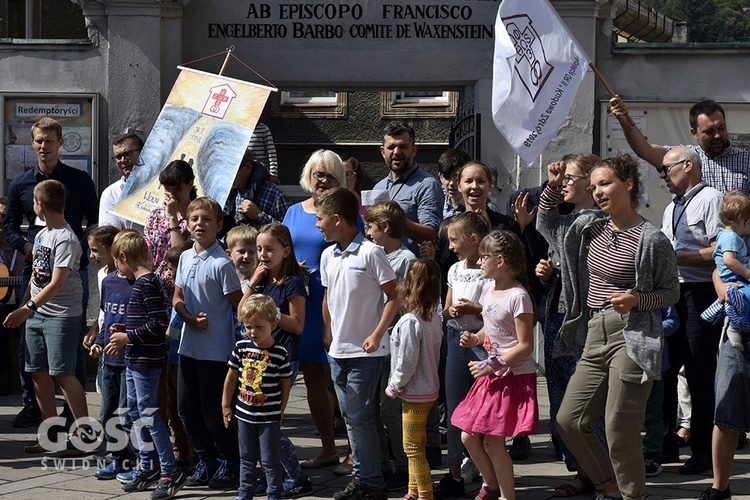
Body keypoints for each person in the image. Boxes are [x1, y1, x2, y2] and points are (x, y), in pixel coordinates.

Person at [540, 154, 680, 500]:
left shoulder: (651, 239)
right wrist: (554, 186)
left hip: (632, 335)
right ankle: (607, 482)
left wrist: (636, 299)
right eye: (593, 186)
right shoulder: (588, 227)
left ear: (628, 184)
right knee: (569, 420)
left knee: (620, 429)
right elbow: (547, 222)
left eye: (605, 184)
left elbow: (670, 291)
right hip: (593, 329)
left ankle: (633, 495)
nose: (597, 192)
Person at [5, 117, 98, 428]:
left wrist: (75, 252)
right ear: (32, 144)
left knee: (67, 355)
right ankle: (39, 414)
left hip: (68, 275)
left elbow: (94, 223)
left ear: (60, 142)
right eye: (38, 141)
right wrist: (26, 247)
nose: (44, 146)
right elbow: (11, 227)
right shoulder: (19, 183)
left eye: (49, 140)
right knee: (33, 360)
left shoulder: (79, 180)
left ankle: (76, 418)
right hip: (37, 267)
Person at [316, 187, 399, 500]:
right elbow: (328, 296)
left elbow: (394, 295)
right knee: (354, 417)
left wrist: (378, 333)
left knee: (360, 417)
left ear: (337, 219)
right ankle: (371, 474)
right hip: (337, 351)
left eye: (321, 218)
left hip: (366, 352)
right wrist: (327, 329)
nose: (317, 224)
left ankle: (370, 483)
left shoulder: (370, 252)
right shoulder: (328, 255)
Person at [533, 154, 605, 498]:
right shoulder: (568, 220)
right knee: (560, 391)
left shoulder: (599, 222)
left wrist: (558, 270)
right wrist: (550, 183)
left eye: (570, 178)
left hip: (585, 319)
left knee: (587, 397)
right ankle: (581, 469)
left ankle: (601, 471)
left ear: (590, 183)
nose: (564, 184)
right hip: (557, 315)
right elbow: (543, 221)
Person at [451, 230, 538, 500]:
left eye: (485, 257)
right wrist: (475, 338)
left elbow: (525, 345)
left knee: (493, 440)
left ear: (500, 261)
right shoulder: (489, 288)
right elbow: (493, 330)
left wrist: (494, 364)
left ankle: (506, 496)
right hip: (492, 373)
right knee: (468, 436)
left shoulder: (519, 296)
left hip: (512, 376)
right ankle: (491, 484)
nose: (480, 262)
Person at [4, 179, 89, 452]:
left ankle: (84, 436)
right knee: (37, 373)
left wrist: (26, 308)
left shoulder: (66, 238)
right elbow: (37, 279)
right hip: (36, 314)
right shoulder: (41, 235)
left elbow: (57, 282)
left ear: (40, 206)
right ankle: (49, 436)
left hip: (62, 315)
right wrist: (27, 307)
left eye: (33, 203)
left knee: (63, 374)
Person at [656, 146, 724, 474]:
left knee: (698, 373)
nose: (663, 177)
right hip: (673, 293)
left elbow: (720, 250)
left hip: (701, 292)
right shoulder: (671, 208)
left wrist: (676, 256)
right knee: (666, 369)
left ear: (688, 165)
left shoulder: (711, 199)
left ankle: (702, 452)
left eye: (666, 169)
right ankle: (667, 444)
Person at [104, 230, 185, 499]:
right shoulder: (143, 284)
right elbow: (145, 321)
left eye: (117, 263)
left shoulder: (146, 284)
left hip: (145, 362)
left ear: (124, 257)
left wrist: (128, 336)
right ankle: (148, 465)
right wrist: (125, 327)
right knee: (137, 413)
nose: (117, 269)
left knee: (149, 414)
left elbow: (158, 323)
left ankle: (170, 470)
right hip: (134, 359)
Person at [173, 197, 244, 488]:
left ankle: (231, 461)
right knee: (186, 408)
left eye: (206, 219)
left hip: (216, 351)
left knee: (214, 411)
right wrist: (189, 318)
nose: (199, 224)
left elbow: (239, 306)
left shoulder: (221, 263)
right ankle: (207, 459)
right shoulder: (186, 256)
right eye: (194, 219)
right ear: (187, 224)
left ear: (218, 224)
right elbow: (177, 298)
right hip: (188, 347)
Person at [283, 150, 347, 469]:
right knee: (310, 376)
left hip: (334, 300)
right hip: (299, 301)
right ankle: (327, 446)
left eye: (329, 175)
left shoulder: (346, 213)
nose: (321, 180)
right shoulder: (293, 212)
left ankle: (357, 447)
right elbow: (278, 249)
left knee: (340, 376)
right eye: (317, 174)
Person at [242, 223, 312, 497]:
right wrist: (252, 283)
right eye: (259, 249)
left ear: (285, 251)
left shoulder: (291, 283)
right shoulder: (262, 281)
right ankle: (275, 473)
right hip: (257, 362)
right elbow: (241, 314)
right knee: (257, 422)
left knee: (269, 425)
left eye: (269, 249)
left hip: (282, 361)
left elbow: (298, 325)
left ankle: (295, 475)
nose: (262, 255)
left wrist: (272, 314)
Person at [433, 210, 491, 500]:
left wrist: (475, 310)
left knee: (487, 408)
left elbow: (496, 308)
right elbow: (445, 310)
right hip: (456, 339)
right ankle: (455, 472)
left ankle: (487, 472)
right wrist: (451, 312)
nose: (451, 246)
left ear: (473, 238)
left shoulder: (489, 269)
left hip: (483, 342)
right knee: (455, 406)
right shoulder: (454, 269)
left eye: (455, 240)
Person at [364, 200, 417, 488]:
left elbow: (407, 302)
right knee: (375, 407)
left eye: (371, 227)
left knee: (390, 407)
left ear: (385, 227)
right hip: (376, 340)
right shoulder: (374, 254)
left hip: (395, 342)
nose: (367, 233)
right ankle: (385, 460)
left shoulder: (406, 259)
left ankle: (404, 462)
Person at [222, 294, 292, 500]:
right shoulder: (241, 348)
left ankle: (274, 494)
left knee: (270, 460)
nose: (252, 332)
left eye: (258, 327)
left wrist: (281, 410)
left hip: (269, 417)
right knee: (246, 458)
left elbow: (285, 384)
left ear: (273, 324)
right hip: (244, 414)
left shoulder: (279, 353)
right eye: (248, 327)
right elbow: (231, 377)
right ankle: (245, 492)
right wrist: (226, 404)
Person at [385, 259, 443, 500]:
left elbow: (407, 361)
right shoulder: (433, 318)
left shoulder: (410, 322)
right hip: (428, 390)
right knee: (417, 444)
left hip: (414, 392)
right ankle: (413, 491)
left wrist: (394, 385)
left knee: (411, 448)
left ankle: (425, 494)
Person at [609, 97, 750, 194]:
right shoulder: (682, 157)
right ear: (694, 133)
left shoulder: (746, 159)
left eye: (721, 128)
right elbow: (645, 151)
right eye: (709, 132)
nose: (717, 135)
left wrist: (743, 203)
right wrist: (624, 121)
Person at [82, 225, 135, 480]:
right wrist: (99, 342)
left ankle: (138, 460)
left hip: (131, 359)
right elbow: (106, 316)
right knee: (106, 413)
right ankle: (119, 459)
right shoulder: (108, 280)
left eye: (95, 250)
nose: (92, 255)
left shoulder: (139, 283)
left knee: (127, 413)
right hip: (110, 359)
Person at [374, 123, 444, 255]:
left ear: (414, 150)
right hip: (381, 268)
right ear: (383, 152)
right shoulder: (379, 187)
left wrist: (398, 218)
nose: (397, 152)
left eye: (403, 146)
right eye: (391, 147)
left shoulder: (427, 185)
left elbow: (431, 236)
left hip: (411, 270)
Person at [163, 241, 195, 467]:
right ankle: (181, 449)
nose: (170, 275)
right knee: (171, 408)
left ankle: (193, 450)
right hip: (171, 360)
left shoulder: (193, 298)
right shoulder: (177, 299)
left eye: (173, 271)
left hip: (185, 362)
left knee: (186, 410)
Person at [702, 191, 750, 342]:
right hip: (734, 276)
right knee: (745, 296)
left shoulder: (725, 235)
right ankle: (735, 324)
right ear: (747, 222)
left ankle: (736, 323)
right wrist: (747, 273)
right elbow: (729, 261)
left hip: (732, 276)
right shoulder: (731, 237)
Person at [144, 159, 195, 298]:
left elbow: (179, 256)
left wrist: (172, 217)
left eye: (176, 189)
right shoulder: (155, 216)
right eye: (167, 188)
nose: (171, 194)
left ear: (190, 185)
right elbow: (148, 253)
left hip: (181, 290)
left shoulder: (197, 219)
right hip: (155, 289)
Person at [222, 149, 292, 236]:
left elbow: (288, 233)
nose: (227, 176)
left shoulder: (275, 195)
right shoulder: (227, 192)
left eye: (232, 170)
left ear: (248, 166)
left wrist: (259, 216)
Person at [0, 196, 24, 397]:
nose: (1, 221)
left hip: (22, 303)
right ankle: (4, 374)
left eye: (5, 216)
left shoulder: (25, 248)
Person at [100, 131, 145, 231]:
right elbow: (109, 237)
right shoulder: (111, 194)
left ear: (142, 152)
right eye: (118, 157)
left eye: (127, 154)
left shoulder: (163, 187)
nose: (123, 160)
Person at [437, 149, 471, 220]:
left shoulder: (480, 204)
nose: (452, 183)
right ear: (440, 177)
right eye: (447, 177)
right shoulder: (435, 202)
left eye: (456, 177)